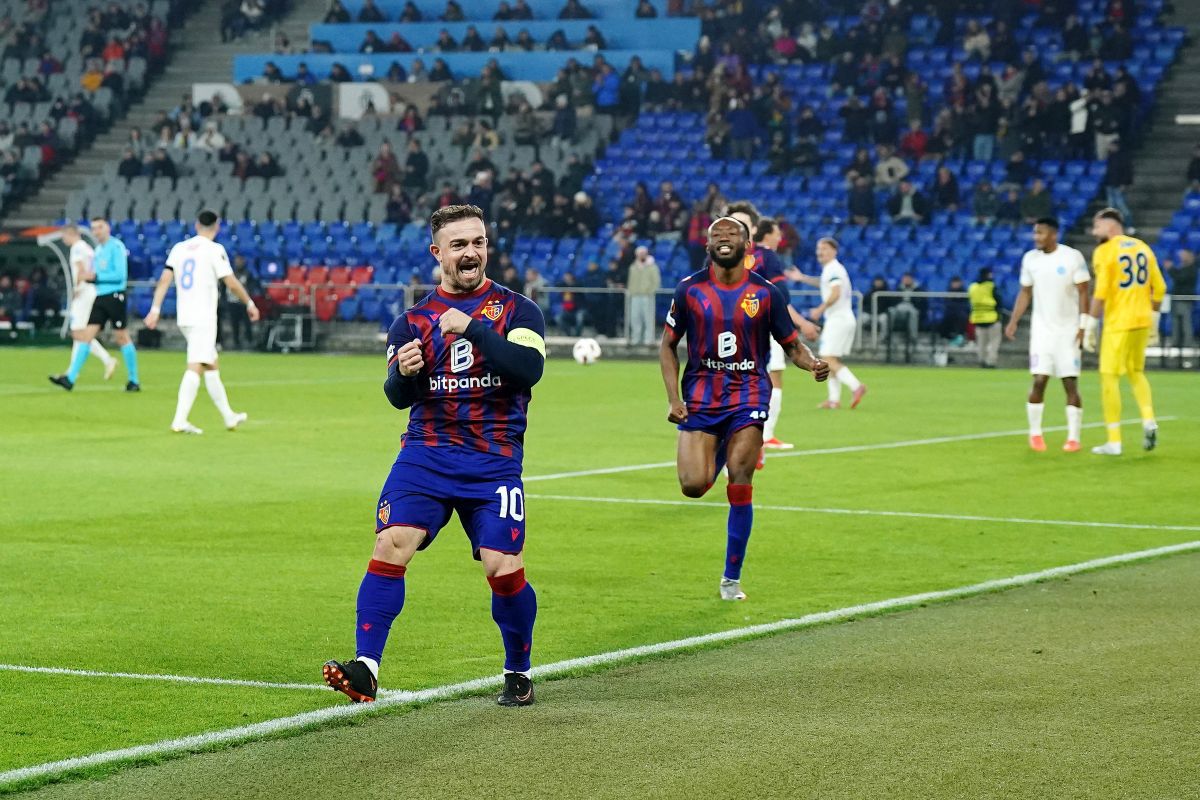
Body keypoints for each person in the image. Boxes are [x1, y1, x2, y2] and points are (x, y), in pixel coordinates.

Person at [323, 205, 545, 707]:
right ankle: (366, 668)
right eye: (460, 245)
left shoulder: (519, 311)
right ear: (437, 253)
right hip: (426, 455)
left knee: (501, 566)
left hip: (493, 462)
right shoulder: (410, 322)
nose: (471, 253)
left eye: (479, 242)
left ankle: (518, 670)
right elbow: (397, 396)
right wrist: (403, 371)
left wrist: (474, 330)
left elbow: (527, 369)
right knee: (391, 543)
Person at [660, 216, 828, 602]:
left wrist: (813, 363)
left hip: (749, 396)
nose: (724, 238)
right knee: (694, 486)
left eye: (733, 233)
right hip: (702, 397)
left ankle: (730, 578)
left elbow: (791, 345)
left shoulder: (766, 294)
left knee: (740, 477)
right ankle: (718, 446)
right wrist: (674, 398)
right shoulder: (689, 290)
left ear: (748, 246)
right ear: (707, 246)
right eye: (717, 234)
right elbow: (667, 344)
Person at [142, 211, 259, 434]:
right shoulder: (215, 250)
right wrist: (250, 303)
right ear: (217, 227)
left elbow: (165, 279)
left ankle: (228, 417)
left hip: (184, 315)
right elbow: (231, 282)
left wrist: (155, 309)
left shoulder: (179, 248)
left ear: (196, 225)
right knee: (196, 365)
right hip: (203, 316)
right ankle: (179, 420)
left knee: (211, 363)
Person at [727, 204, 819, 457]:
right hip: (761, 328)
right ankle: (762, 436)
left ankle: (751, 438)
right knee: (771, 377)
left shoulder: (723, 255)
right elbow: (780, 298)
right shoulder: (766, 257)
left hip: (733, 328)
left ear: (754, 229)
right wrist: (801, 324)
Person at [1081, 208, 1166, 455]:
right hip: (1142, 321)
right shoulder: (1143, 247)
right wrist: (1154, 320)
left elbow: (1101, 292)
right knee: (1136, 372)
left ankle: (1114, 441)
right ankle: (1149, 419)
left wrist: (1090, 325)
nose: (1094, 232)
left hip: (1118, 323)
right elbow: (1159, 287)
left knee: (1109, 377)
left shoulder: (1105, 251)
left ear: (1110, 227)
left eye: (1097, 227)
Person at [1004, 218, 1091, 452]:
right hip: (1042, 332)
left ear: (1053, 234)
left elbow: (1084, 292)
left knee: (1070, 383)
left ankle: (1074, 438)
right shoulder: (1030, 259)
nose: (1036, 237)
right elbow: (1025, 292)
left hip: (1068, 331)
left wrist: (1084, 325)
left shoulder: (1072, 257)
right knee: (1039, 380)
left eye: (1040, 233)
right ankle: (1035, 434)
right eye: (1035, 233)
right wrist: (1013, 321)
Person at [49, 218, 140, 391]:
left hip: (115, 295)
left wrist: (95, 278)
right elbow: (96, 273)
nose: (97, 231)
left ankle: (134, 380)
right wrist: (90, 279)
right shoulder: (98, 250)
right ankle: (70, 378)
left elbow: (120, 275)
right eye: (94, 228)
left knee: (121, 337)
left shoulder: (116, 247)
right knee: (86, 335)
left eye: (100, 227)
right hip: (100, 296)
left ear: (108, 228)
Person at [795, 238, 866, 410]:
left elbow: (835, 292)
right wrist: (802, 278)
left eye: (825, 248)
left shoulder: (834, 268)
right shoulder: (831, 269)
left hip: (838, 319)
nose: (820, 252)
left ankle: (856, 386)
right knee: (831, 359)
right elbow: (823, 282)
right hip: (841, 318)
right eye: (819, 249)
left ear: (834, 251)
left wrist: (820, 309)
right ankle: (834, 400)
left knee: (827, 358)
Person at [56, 224, 117, 381]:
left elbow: (81, 269)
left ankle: (106, 360)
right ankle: (72, 372)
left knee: (78, 332)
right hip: (92, 291)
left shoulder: (77, 248)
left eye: (64, 236)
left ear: (70, 234)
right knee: (82, 333)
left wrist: (78, 287)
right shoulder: (89, 249)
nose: (64, 240)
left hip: (84, 292)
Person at [969, 267, 1003, 368]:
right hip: (991, 317)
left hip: (978, 318)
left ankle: (981, 360)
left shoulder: (973, 287)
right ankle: (991, 361)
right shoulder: (991, 286)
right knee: (994, 341)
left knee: (981, 342)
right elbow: (999, 300)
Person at [626, 245, 660, 346]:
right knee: (635, 318)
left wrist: (650, 291)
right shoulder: (633, 267)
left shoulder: (652, 267)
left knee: (648, 318)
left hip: (647, 296)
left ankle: (648, 339)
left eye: (643, 253)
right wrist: (631, 291)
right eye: (639, 254)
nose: (641, 255)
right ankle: (636, 338)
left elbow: (656, 281)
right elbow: (630, 280)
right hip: (635, 295)